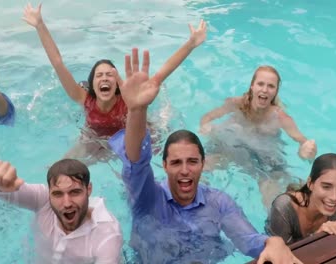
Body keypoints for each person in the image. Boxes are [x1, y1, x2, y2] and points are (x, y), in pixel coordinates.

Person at [108, 48, 303, 263]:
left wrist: (273, 242)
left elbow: (249, 240)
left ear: (203, 164)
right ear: (164, 166)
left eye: (192, 161)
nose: (184, 170)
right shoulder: (148, 198)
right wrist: (137, 111)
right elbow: (136, 164)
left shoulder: (219, 203)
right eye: (176, 163)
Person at [23, 3, 207, 165]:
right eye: (99, 75)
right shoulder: (83, 97)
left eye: (109, 75)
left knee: (164, 156)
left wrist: (191, 43)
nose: (104, 78)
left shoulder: (128, 99)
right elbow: (58, 63)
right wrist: (39, 25)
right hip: (97, 139)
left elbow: (162, 74)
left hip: (134, 137)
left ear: (117, 83)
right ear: (92, 85)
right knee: (62, 167)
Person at [199, 65, 317, 207]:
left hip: (263, 161)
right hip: (231, 149)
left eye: (271, 86)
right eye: (260, 84)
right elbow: (207, 117)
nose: (265, 90)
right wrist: (206, 127)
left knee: (274, 199)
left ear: (275, 92)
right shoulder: (235, 104)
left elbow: (302, 141)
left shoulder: (280, 118)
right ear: (252, 86)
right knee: (202, 168)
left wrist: (306, 151)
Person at [0, 159, 122, 263]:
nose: (67, 203)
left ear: (88, 189)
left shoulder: (107, 236)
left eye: (75, 192)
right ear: (49, 192)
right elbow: (4, 191)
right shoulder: (43, 201)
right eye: (57, 194)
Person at [265, 153, 336, 244]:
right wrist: (316, 238)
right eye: (326, 186)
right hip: (276, 199)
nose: (334, 197)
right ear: (310, 183)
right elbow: (282, 257)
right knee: (269, 178)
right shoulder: (283, 209)